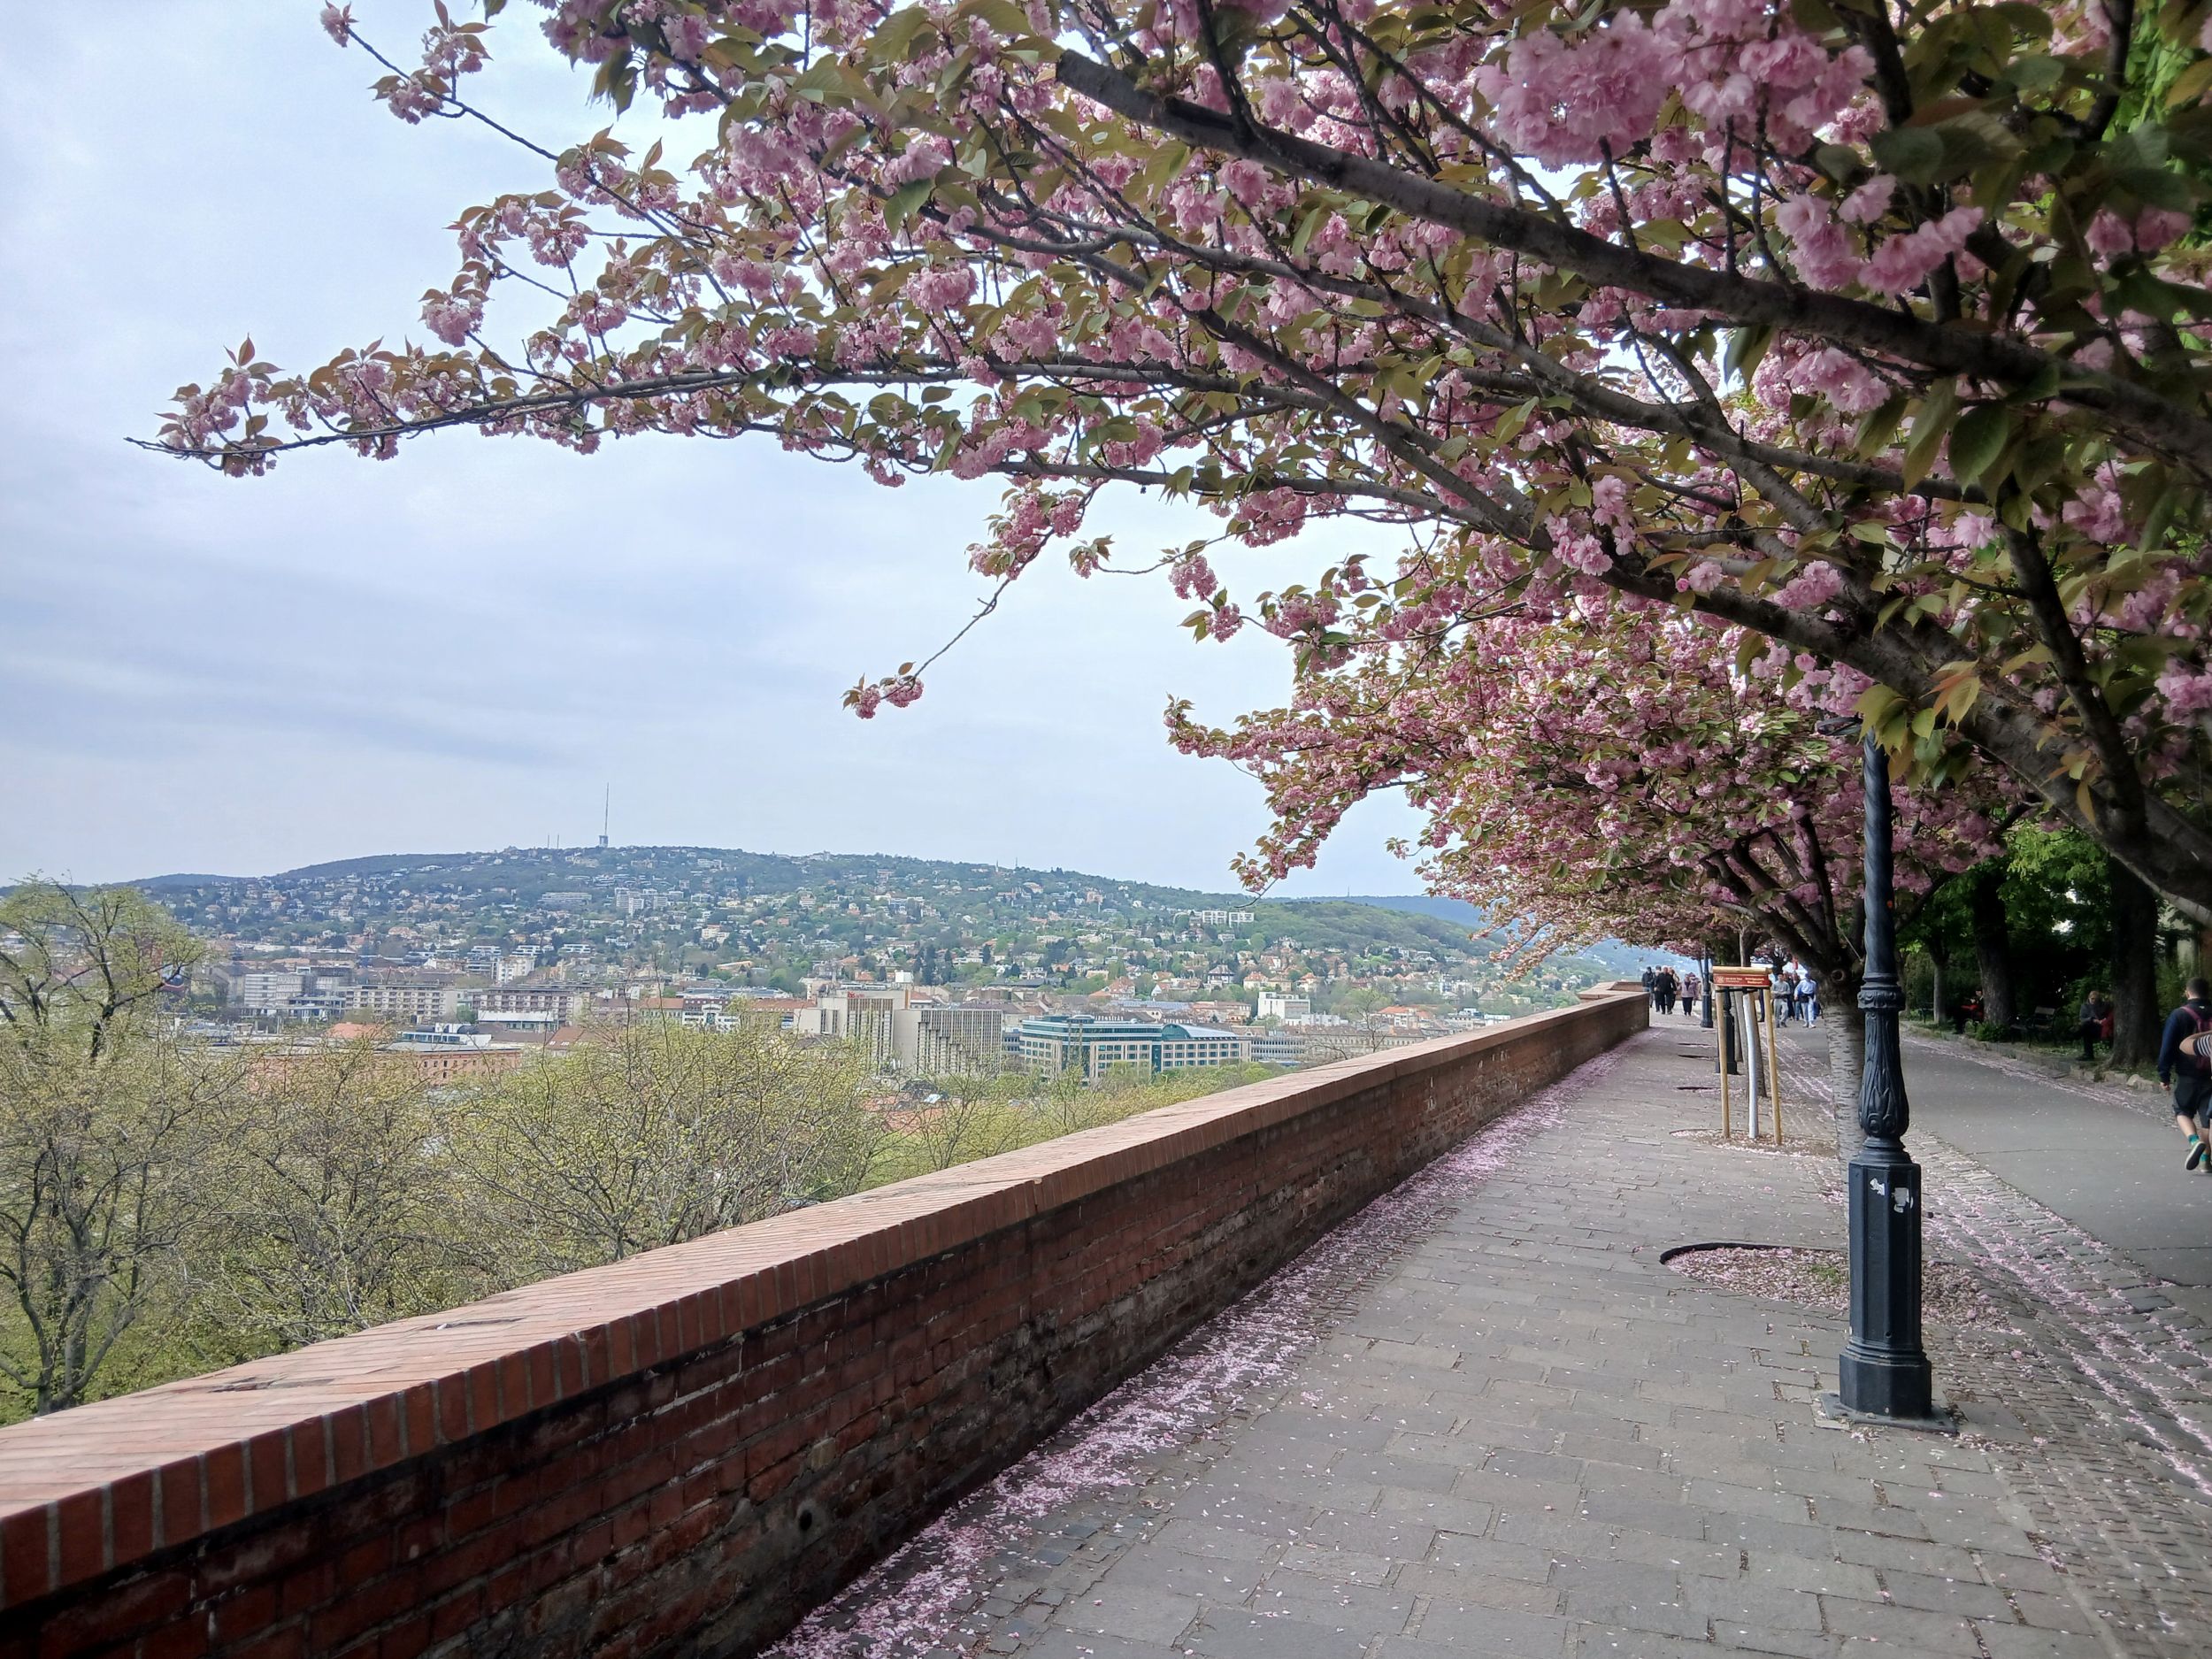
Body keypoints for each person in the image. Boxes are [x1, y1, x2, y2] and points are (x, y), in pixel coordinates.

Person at [2158, 978, 2212, 1171]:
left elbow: (2168, 1047)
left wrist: (2163, 1074)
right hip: (2210, 1076)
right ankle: (2206, 1161)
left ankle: (2195, 1141)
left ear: (2187, 992)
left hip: (2188, 1074)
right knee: (2208, 1118)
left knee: (2182, 1111)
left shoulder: (2179, 1015)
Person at [2078, 990, 2111, 1064]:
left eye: (2095, 999)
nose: (2093, 1000)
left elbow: (2108, 1016)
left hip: (2101, 1027)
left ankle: (2076, 1035)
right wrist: (2092, 1019)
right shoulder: (2085, 1006)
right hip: (2090, 1026)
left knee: (2085, 1029)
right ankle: (2088, 1054)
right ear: (2089, 998)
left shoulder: (2102, 1006)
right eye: (2092, 998)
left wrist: (2102, 1020)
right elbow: (2082, 1018)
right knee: (2087, 1027)